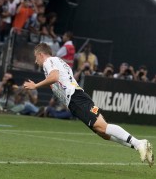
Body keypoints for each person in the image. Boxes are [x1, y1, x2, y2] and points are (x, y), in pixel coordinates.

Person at [23, 43, 154, 167]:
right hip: (76, 99)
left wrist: (36, 85)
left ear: (41, 54)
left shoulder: (48, 62)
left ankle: (138, 144)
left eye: (36, 57)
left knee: (102, 127)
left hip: (76, 98)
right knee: (103, 133)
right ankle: (140, 145)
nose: (36, 61)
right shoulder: (58, 61)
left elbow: (55, 77)